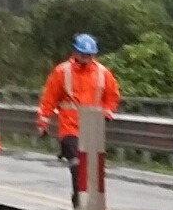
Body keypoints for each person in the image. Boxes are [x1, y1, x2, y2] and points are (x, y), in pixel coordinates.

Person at [36, 32, 121, 184]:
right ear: (75, 52)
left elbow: (112, 97)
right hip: (70, 129)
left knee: (93, 170)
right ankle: (79, 204)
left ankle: (93, 205)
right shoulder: (62, 72)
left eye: (90, 56)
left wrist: (106, 115)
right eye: (83, 55)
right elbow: (49, 99)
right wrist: (43, 123)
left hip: (92, 129)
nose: (86, 59)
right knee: (78, 166)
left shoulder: (103, 74)